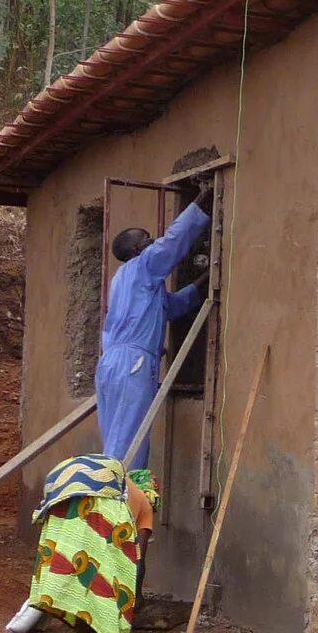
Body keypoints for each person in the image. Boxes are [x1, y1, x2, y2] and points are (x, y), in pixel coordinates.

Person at [97, 186, 212, 464]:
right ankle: (118, 501)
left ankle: (112, 497)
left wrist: (209, 278)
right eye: (148, 239)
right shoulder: (143, 265)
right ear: (137, 249)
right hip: (133, 363)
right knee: (129, 442)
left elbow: (174, 306)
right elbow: (174, 241)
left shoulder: (126, 281)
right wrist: (203, 199)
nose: (153, 241)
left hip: (110, 366)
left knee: (116, 437)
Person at [25, 454, 159, 633]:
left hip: (65, 494)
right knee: (113, 574)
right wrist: (134, 599)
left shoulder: (125, 486)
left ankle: (81, 632)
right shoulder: (145, 504)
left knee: (81, 566)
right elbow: (137, 561)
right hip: (99, 503)